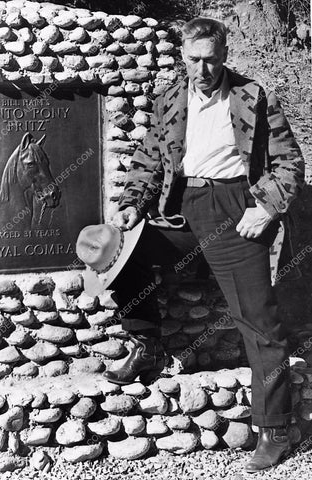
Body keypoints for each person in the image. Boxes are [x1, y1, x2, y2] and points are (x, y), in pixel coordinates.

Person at [85, 17, 305, 472]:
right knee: (126, 260)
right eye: (193, 60)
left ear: (224, 55)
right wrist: (131, 204)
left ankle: (276, 428)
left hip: (233, 207)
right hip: (181, 206)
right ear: (182, 56)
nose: (202, 70)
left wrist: (265, 207)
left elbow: (288, 162)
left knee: (260, 322)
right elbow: (149, 157)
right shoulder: (171, 97)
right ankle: (147, 344)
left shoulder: (252, 96)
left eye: (211, 59)